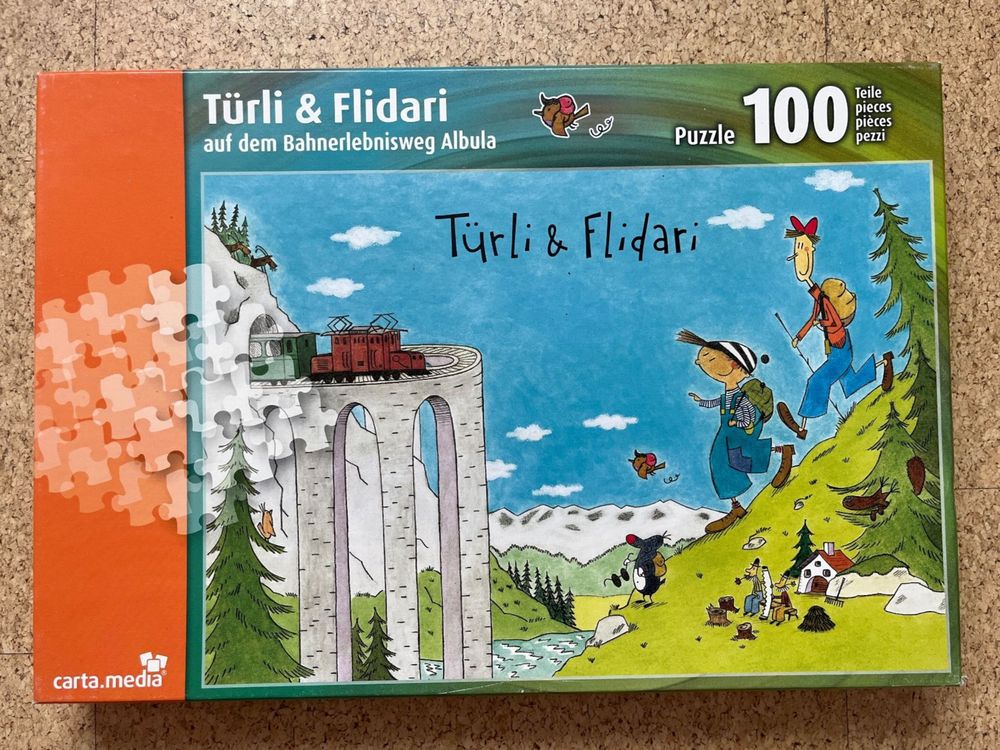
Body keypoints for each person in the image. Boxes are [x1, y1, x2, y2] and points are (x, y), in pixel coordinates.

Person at [776, 216, 894, 440]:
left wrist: (821, 323)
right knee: (850, 383)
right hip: (839, 349)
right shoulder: (821, 301)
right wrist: (799, 337)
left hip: (840, 351)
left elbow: (834, 323)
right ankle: (884, 361)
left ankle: (802, 428)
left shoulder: (827, 305)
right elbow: (812, 315)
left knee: (817, 381)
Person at [679, 330, 795, 534]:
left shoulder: (742, 398)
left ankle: (783, 451)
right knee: (718, 461)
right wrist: (701, 401)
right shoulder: (727, 395)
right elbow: (715, 402)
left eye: (710, 359)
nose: (703, 365)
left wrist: (739, 422)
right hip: (726, 435)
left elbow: (749, 417)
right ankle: (735, 506)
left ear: (734, 364)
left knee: (744, 454)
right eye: (702, 361)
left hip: (739, 433)